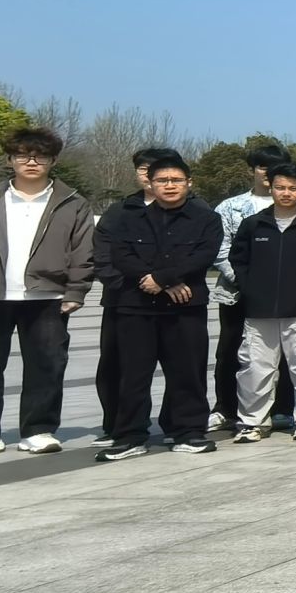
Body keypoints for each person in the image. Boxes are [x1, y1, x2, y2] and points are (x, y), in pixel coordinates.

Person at [0, 126, 95, 460]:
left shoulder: (73, 203)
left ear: (53, 161)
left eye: (40, 156)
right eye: (23, 156)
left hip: (47, 297)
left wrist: (76, 291)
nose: (32, 162)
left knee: (47, 365)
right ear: (10, 160)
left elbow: (83, 251)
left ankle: (39, 430)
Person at [98, 151, 221, 461]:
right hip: (136, 306)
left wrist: (163, 279)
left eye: (176, 180)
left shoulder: (206, 219)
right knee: (132, 374)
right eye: (162, 180)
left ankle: (188, 431)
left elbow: (203, 256)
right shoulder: (128, 217)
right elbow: (121, 255)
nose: (169, 185)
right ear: (150, 183)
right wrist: (154, 280)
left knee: (187, 372)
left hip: (185, 307)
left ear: (189, 183)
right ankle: (129, 436)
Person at [211, 143, 296, 432]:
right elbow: (223, 250)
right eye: (263, 166)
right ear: (252, 170)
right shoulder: (232, 207)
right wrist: (249, 284)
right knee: (235, 354)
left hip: (293, 300)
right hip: (240, 295)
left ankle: (285, 410)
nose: (268, 173)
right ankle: (228, 409)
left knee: (295, 359)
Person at [226, 161, 296, 442]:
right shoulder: (254, 224)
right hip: (259, 311)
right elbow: (238, 260)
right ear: (271, 187)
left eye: (293, 188)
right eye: (280, 187)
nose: (286, 193)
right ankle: (252, 422)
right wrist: (250, 288)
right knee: (255, 368)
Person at [87, 147, 170, 447]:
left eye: (157, 168)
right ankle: (119, 425)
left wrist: (166, 282)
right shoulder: (119, 211)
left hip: (175, 300)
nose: (150, 175)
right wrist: (135, 285)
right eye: (143, 169)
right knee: (117, 366)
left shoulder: (192, 209)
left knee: (180, 367)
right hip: (123, 300)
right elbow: (103, 255)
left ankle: (177, 423)